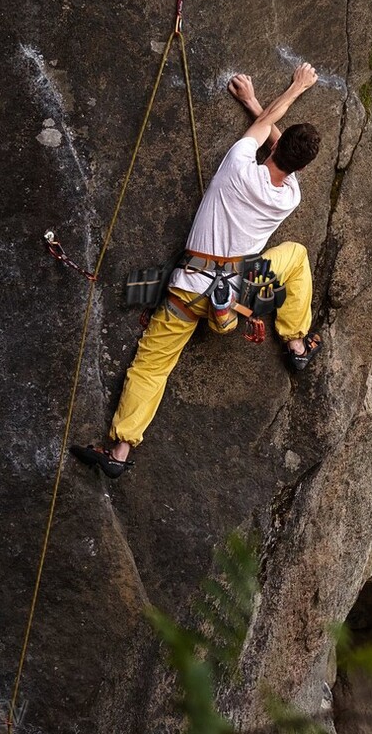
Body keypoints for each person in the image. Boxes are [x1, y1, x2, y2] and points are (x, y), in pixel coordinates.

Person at [71, 63, 324, 478]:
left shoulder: (237, 168)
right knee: (295, 255)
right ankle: (296, 345)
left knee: (152, 366)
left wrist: (284, 92)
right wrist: (260, 108)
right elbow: (276, 142)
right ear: (297, 168)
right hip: (239, 288)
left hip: (187, 288)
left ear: (271, 150)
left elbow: (264, 127)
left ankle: (119, 451)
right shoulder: (290, 197)